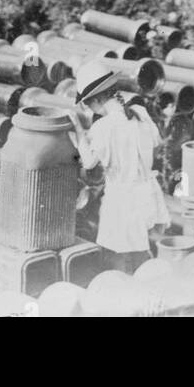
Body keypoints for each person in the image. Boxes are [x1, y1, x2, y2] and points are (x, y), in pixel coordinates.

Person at [66, 59, 169, 273]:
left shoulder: (103, 127)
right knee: (144, 255)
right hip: (148, 192)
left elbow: (89, 162)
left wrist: (77, 130)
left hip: (121, 199)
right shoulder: (140, 112)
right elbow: (157, 144)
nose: (89, 108)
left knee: (118, 261)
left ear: (98, 99)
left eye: (87, 103)